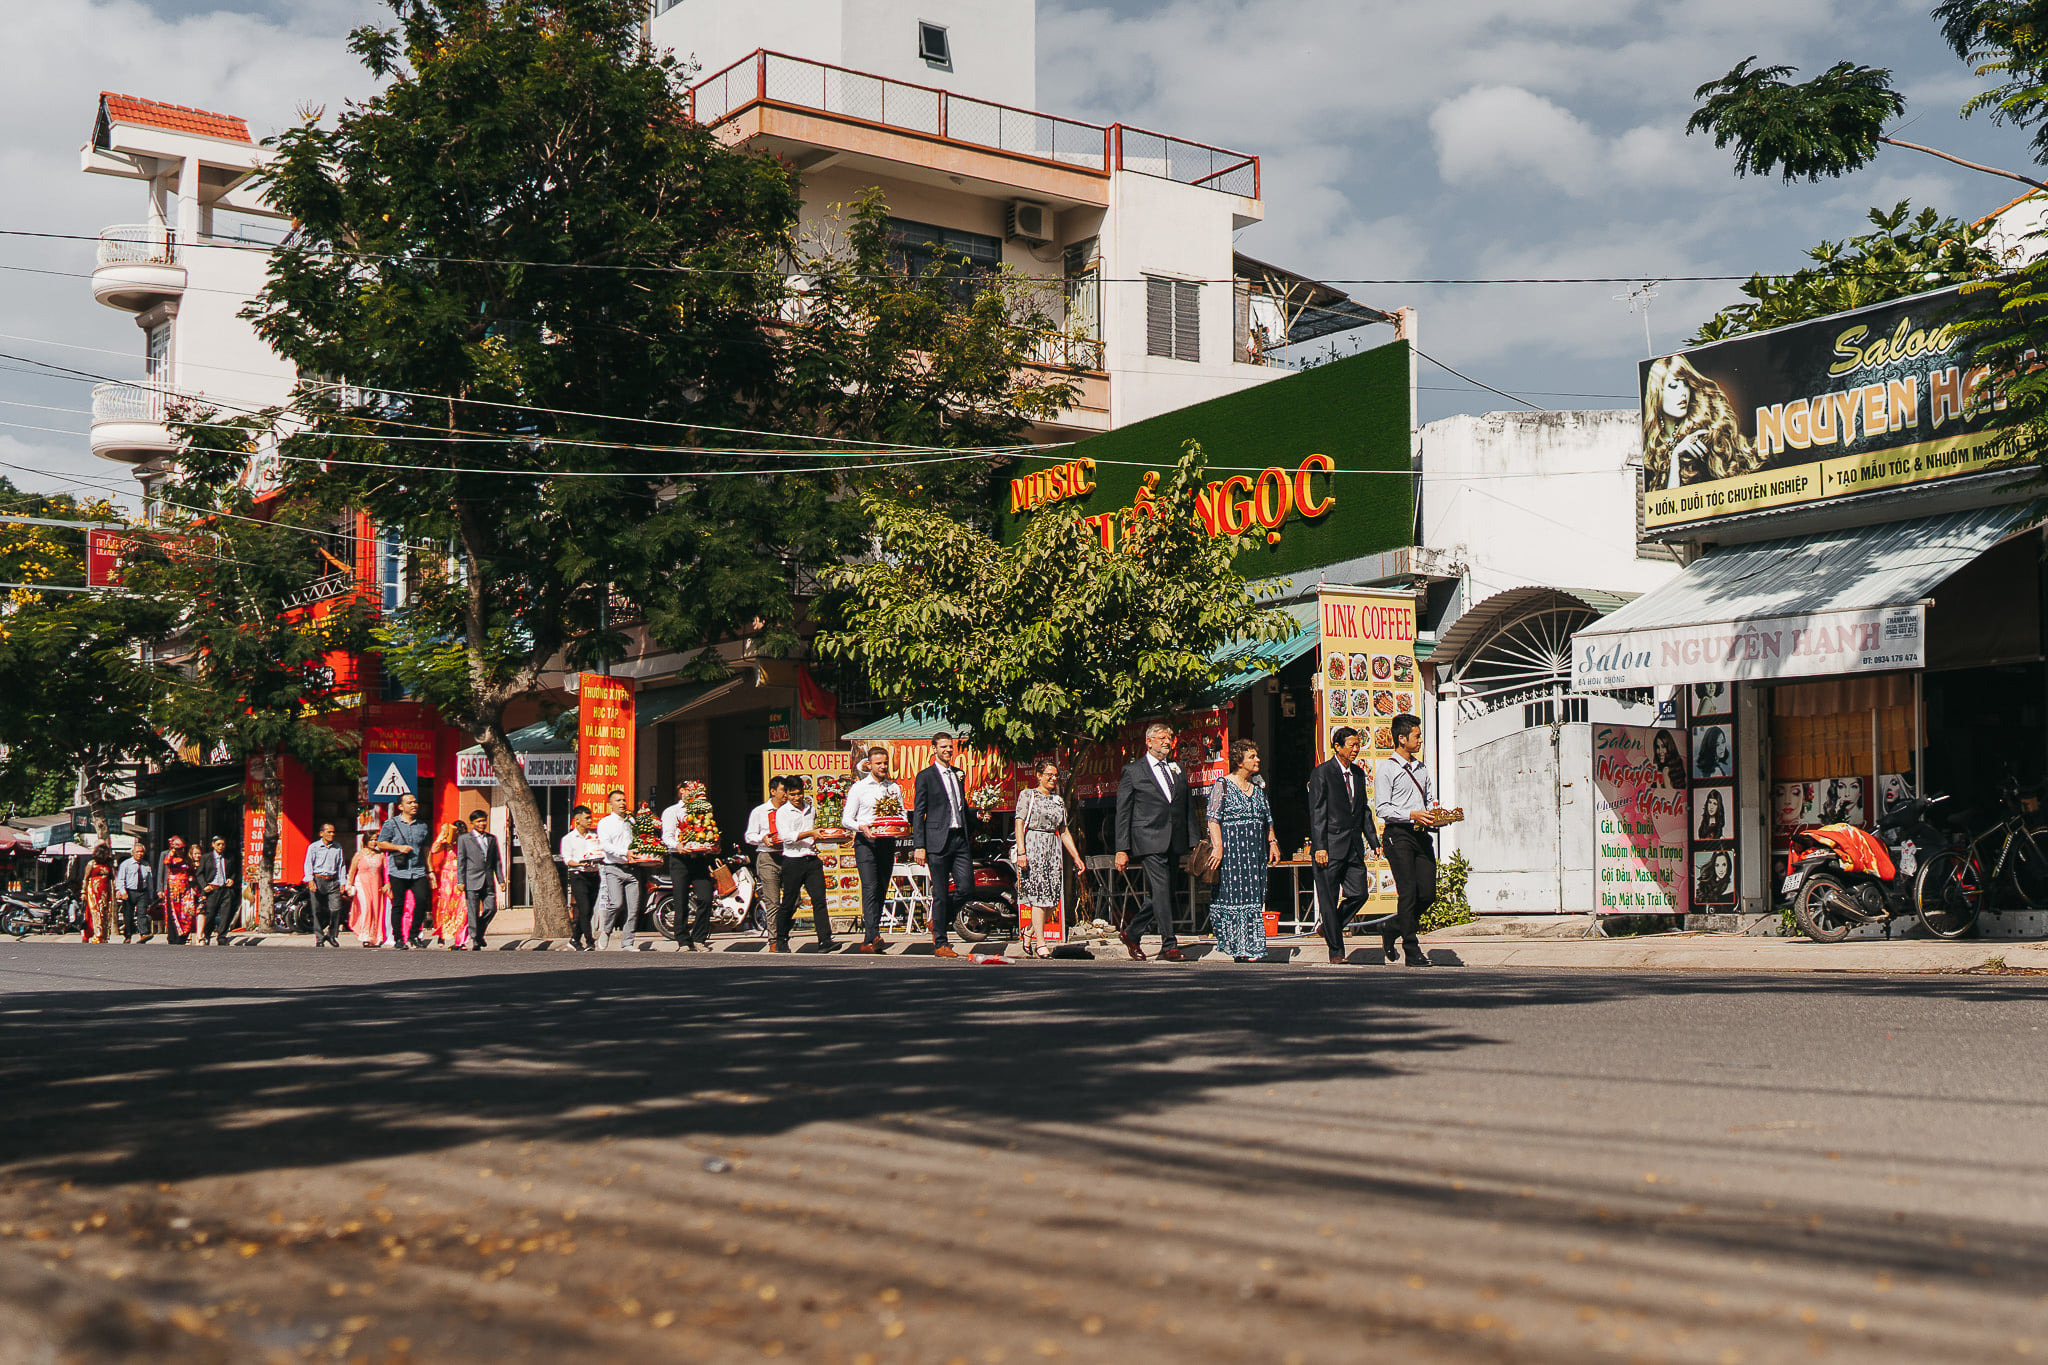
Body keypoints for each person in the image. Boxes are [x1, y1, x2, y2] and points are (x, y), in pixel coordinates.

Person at [1114, 722, 1191, 962]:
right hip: (1147, 839)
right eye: (1161, 738)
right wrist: (1121, 848)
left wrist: (1194, 839)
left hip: (1174, 839)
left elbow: (1185, 807)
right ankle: (1169, 944)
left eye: (1169, 738)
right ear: (1148, 742)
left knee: (1162, 892)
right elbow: (1123, 811)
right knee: (1160, 890)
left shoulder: (1178, 768)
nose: (1166, 742)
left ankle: (1132, 932)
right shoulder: (1134, 770)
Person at [1309, 726, 1381, 965]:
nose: (1356, 749)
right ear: (1337, 747)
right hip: (1328, 846)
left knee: (1359, 893)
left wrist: (1373, 841)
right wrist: (1320, 846)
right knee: (1328, 899)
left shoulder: (1359, 774)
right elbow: (1317, 812)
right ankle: (1336, 951)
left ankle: (1331, 927)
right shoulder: (1322, 773)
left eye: (1357, 745)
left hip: (1352, 846)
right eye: (1351, 745)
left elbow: (1363, 810)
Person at [1372, 712, 1440, 968]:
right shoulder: (1387, 770)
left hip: (1421, 835)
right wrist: (1410, 814)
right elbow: (1383, 809)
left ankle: (1392, 927)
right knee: (1408, 892)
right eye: (1416, 736)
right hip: (1398, 835)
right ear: (1401, 739)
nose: (1420, 740)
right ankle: (1411, 949)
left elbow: (1430, 798)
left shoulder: (1421, 768)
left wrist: (1436, 813)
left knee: (1427, 893)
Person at [1207, 740, 1281, 963]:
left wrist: (1273, 842)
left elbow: (1267, 818)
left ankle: (1252, 946)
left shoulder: (1257, 788)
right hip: (1232, 853)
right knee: (1233, 898)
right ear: (1239, 761)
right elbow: (1213, 819)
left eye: (1257, 756)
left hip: (1254, 853)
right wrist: (1218, 847)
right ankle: (1237, 945)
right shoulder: (1223, 785)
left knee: (1254, 899)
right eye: (1252, 757)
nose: (1257, 760)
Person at [1641, 352, 1760, 490]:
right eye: (1673, 386)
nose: (1683, 393)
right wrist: (1675, 459)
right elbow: (1665, 507)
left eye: (1686, 384)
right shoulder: (1652, 448)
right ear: (1657, 395)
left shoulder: (1702, 437)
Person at [1013, 758, 1084, 959]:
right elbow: (1019, 823)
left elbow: (1063, 830)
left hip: (1053, 849)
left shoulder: (1058, 800)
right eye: (1049, 775)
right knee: (1038, 897)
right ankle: (1041, 944)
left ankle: (1029, 930)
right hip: (1034, 844)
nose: (1053, 779)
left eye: (1055, 775)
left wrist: (1076, 857)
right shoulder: (1028, 795)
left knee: (1052, 899)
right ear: (1039, 776)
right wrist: (1021, 851)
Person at [911, 733, 973, 959]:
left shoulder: (958, 774)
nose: (948, 750)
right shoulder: (926, 776)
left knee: (966, 888)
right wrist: (920, 845)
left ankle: (937, 919)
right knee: (940, 892)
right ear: (934, 749)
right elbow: (919, 812)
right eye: (944, 747)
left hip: (959, 839)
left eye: (951, 747)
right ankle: (941, 943)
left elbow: (961, 807)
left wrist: (980, 815)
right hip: (937, 840)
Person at [845, 747, 906, 953]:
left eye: (885, 763)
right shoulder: (859, 788)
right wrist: (862, 827)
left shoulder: (893, 788)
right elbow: (847, 819)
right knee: (870, 887)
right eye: (878, 763)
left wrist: (900, 826)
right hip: (866, 842)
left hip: (886, 841)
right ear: (868, 765)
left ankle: (870, 937)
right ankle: (873, 935)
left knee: (881, 887)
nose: (882, 766)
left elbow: (903, 815)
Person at [771, 776, 836, 953]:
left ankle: (824, 940)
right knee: (789, 902)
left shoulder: (810, 809)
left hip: (811, 859)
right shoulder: (783, 812)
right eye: (792, 795)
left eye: (799, 793)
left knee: (819, 900)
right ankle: (781, 938)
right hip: (793, 860)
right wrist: (810, 833)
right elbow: (786, 837)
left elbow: (818, 831)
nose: (796, 798)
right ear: (786, 794)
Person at [372, 792, 432, 949]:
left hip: (418, 870)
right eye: (410, 802)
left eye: (415, 802)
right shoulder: (391, 824)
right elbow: (380, 844)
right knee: (398, 904)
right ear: (400, 807)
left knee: (421, 900)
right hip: (398, 870)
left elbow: (426, 850)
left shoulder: (422, 826)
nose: (414, 805)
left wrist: (430, 871)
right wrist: (398, 847)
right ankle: (398, 938)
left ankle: (413, 934)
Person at [660, 782, 715, 951]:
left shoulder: (703, 810)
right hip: (679, 859)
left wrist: (713, 844)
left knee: (706, 897)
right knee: (681, 899)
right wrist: (677, 845)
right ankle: (683, 940)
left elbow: (709, 829)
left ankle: (699, 938)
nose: (694, 793)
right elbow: (666, 836)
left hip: (699, 858)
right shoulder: (671, 812)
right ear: (682, 791)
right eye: (691, 790)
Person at [742, 778, 791, 939]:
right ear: (773, 791)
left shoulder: (790, 810)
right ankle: (774, 938)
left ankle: (783, 927)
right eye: (783, 790)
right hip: (767, 857)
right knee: (772, 901)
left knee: (794, 898)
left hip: (788, 855)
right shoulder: (760, 811)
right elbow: (749, 836)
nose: (786, 794)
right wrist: (763, 838)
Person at [595, 789, 641, 950]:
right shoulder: (605, 823)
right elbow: (606, 846)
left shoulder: (631, 822)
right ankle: (606, 930)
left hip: (632, 869)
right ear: (610, 805)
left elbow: (637, 843)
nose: (622, 803)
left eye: (623, 800)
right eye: (618, 800)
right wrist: (624, 853)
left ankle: (627, 942)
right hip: (613, 868)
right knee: (616, 903)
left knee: (634, 909)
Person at [454, 808, 501, 951]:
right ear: (472, 823)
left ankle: (478, 932)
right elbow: (461, 861)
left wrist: (501, 879)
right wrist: (460, 881)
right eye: (479, 821)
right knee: (473, 910)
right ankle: (475, 939)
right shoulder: (464, 839)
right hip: (471, 880)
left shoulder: (491, 839)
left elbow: (497, 861)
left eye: (484, 820)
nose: (482, 823)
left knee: (491, 908)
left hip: (488, 880)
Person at [560, 805, 602, 951]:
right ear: (577, 820)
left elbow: (599, 853)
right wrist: (580, 863)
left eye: (590, 817)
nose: (590, 821)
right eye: (587, 818)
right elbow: (567, 860)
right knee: (583, 909)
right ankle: (590, 941)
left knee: (588, 911)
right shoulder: (568, 839)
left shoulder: (594, 837)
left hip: (593, 875)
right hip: (578, 875)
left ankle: (574, 939)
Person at [303, 823, 348, 948]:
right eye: (329, 832)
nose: (332, 834)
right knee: (316, 910)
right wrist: (310, 880)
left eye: (333, 832)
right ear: (321, 833)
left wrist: (342, 882)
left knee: (336, 908)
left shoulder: (337, 847)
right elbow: (308, 864)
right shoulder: (314, 847)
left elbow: (341, 865)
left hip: (332, 880)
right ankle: (319, 936)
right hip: (318, 879)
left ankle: (332, 934)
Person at [428, 821, 468, 948]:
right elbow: (434, 849)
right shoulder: (447, 843)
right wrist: (442, 835)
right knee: (445, 906)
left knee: (461, 908)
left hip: (461, 876)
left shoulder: (465, 842)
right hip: (447, 877)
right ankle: (441, 934)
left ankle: (460, 939)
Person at [347, 838, 388, 947]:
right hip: (362, 884)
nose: (373, 842)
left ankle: (375, 937)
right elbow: (352, 871)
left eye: (375, 840)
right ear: (365, 841)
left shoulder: (380, 855)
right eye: (371, 840)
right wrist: (349, 885)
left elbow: (385, 871)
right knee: (366, 907)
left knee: (376, 909)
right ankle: (365, 936)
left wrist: (386, 884)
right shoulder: (359, 855)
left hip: (376, 885)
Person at [115, 838, 155, 944]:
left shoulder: (146, 865)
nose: (140, 854)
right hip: (129, 892)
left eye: (141, 852)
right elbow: (120, 879)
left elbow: (150, 881)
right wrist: (122, 891)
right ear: (133, 853)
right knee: (128, 915)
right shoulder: (126, 864)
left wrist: (151, 895)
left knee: (142, 913)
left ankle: (144, 933)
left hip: (142, 892)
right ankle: (128, 935)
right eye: (137, 851)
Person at [159, 835, 198, 944]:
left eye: (182, 848)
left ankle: (184, 934)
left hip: (185, 891)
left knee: (186, 913)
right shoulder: (170, 859)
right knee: (173, 913)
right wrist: (172, 851)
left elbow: (192, 872)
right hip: (173, 891)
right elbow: (166, 862)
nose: (181, 851)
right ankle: (173, 936)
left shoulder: (187, 860)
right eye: (178, 849)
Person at [199, 834, 236, 945]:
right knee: (210, 914)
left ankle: (222, 936)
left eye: (223, 844)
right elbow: (199, 874)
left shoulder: (229, 857)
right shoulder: (206, 858)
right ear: (213, 845)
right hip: (212, 889)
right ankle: (206, 935)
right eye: (218, 844)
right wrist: (204, 885)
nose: (221, 846)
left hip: (225, 889)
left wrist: (231, 879)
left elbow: (234, 872)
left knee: (225, 914)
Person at [81, 842, 116, 943]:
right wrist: (83, 891)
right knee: (95, 912)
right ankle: (96, 934)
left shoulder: (109, 864)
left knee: (104, 912)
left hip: (105, 891)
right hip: (93, 890)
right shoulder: (91, 863)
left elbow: (113, 877)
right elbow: (86, 878)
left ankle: (104, 934)